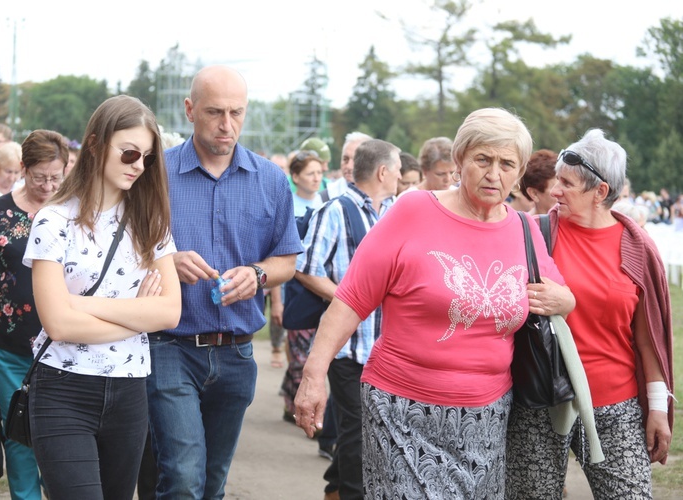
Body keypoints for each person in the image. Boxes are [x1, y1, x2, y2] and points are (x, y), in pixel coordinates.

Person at [294, 108, 575, 499]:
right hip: (402, 413)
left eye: (507, 163)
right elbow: (352, 298)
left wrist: (567, 299)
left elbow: (558, 294)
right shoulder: (413, 211)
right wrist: (313, 375)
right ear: (460, 159)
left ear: (520, 170)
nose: (494, 173)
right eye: (483, 159)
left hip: (488, 420)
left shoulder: (526, 229)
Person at [147, 65, 303, 499]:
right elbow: (123, 251)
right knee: (181, 476)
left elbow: (287, 260)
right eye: (215, 112)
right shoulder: (155, 174)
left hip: (236, 352)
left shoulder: (270, 180)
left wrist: (257, 274)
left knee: (212, 482)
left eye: (237, 112)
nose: (226, 124)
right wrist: (166, 260)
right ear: (190, 109)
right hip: (169, 346)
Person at [22, 95, 181, 499]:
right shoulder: (53, 220)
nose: (138, 166)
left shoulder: (152, 222)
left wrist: (80, 303)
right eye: (129, 153)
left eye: (146, 158)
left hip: (129, 390)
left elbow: (170, 312)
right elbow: (58, 325)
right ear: (94, 144)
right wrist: (136, 314)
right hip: (63, 388)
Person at [506, 129, 674, 499]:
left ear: (600, 192)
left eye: (566, 183)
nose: (555, 191)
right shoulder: (534, 233)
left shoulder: (638, 246)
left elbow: (650, 339)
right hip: (538, 403)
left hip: (615, 405)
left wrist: (658, 408)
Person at [0, 129, 67, 500]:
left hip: (66, 344)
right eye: (40, 177)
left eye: (57, 177)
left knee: (62, 435)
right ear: (23, 168)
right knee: (17, 433)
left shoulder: (77, 210)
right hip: (9, 344)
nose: (49, 186)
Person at [293, 139, 401, 499]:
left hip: (385, 349)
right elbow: (306, 269)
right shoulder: (335, 211)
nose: (402, 175)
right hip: (348, 349)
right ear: (383, 172)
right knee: (358, 433)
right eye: (398, 168)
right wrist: (350, 300)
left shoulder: (394, 213)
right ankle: (350, 491)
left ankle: (334, 488)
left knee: (368, 430)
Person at [323, 131, 373, 200]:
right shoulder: (326, 196)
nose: (349, 166)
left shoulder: (385, 200)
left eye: (356, 160)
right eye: (345, 159)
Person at [519, 148, 558, 214]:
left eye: (565, 184)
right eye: (555, 187)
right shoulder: (521, 223)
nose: (562, 192)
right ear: (534, 193)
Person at [291, 150, 325, 217]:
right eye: (310, 174)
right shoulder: (288, 205)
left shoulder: (326, 201)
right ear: (295, 177)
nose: (316, 179)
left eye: (319, 173)